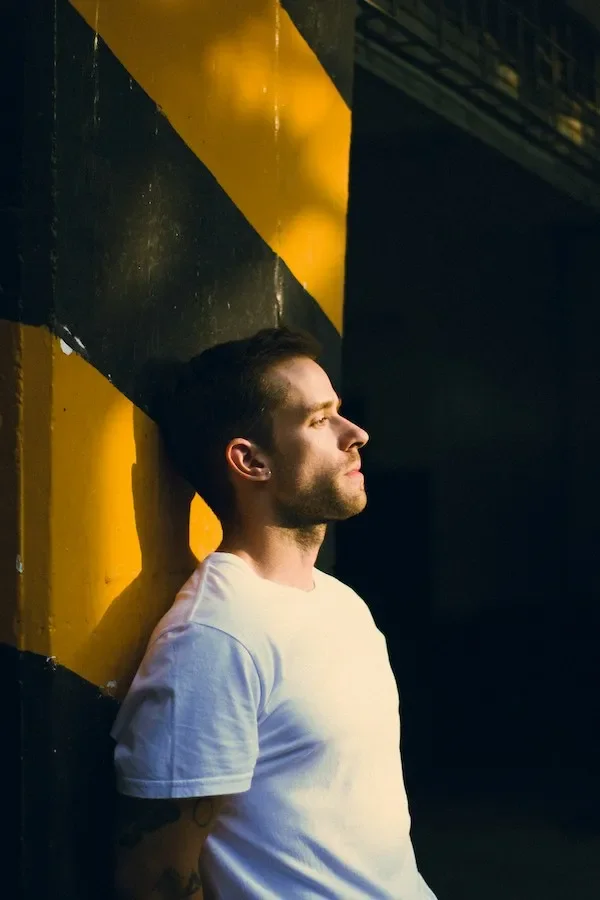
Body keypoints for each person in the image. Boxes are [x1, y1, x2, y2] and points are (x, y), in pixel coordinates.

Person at [111, 327, 437, 900]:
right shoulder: (213, 638)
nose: (355, 434)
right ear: (251, 460)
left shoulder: (340, 602)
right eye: (319, 420)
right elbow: (157, 879)